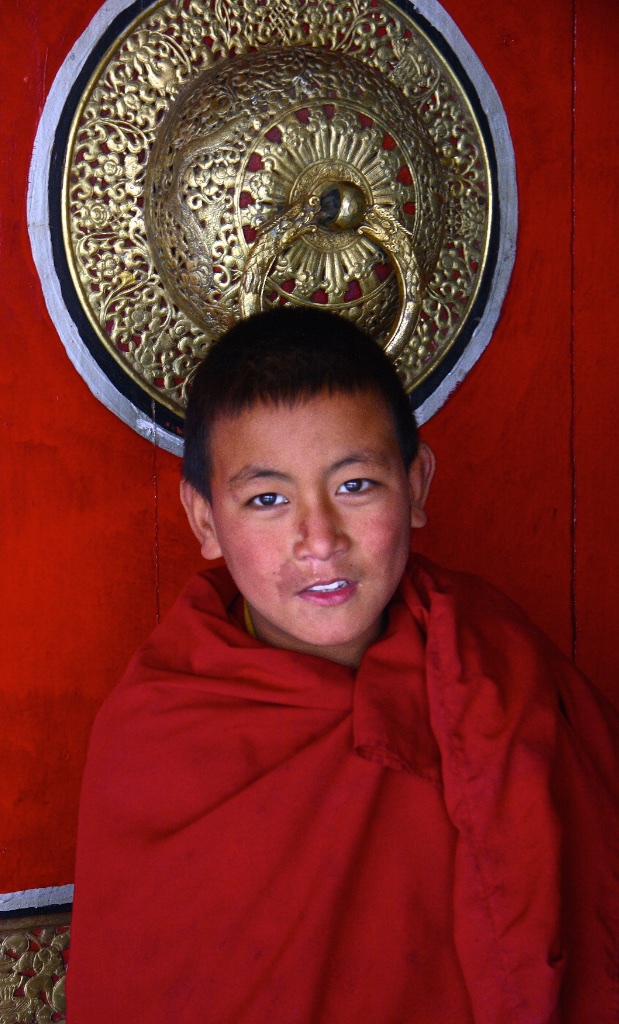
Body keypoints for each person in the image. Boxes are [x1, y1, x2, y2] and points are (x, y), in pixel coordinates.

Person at [68, 307, 618, 1023]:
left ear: (415, 485)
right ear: (204, 521)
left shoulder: (500, 671)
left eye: (354, 485)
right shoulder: (161, 735)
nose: (318, 540)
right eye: (267, 499)